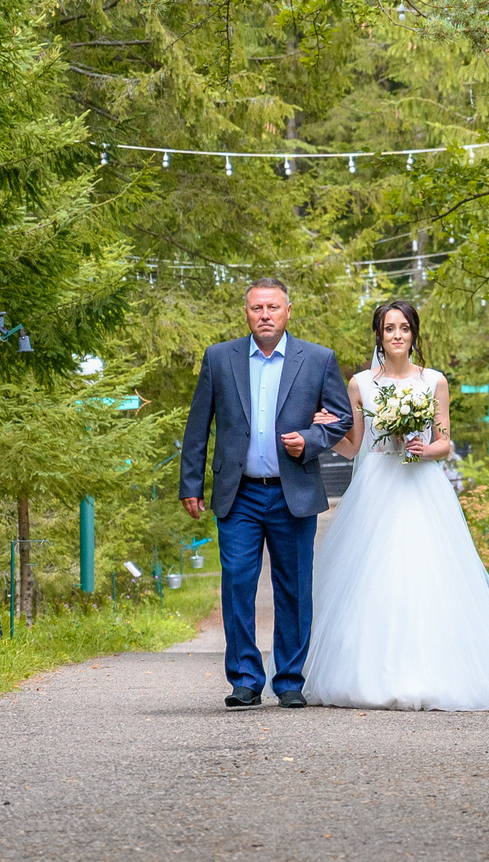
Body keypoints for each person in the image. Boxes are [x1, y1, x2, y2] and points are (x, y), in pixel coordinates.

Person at [300, 299, 489, 710]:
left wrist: (423, 447)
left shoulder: (434, 381)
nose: (396, 335)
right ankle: (367, 675)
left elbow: (445, 443)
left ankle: (437, 672)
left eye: (404, 328)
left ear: (414, 334)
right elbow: (354, 446)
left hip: (422, 485)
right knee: (374, 574)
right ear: (378, 335)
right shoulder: (361, 383)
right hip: (377, 486)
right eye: (388, 328)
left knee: (429, 573)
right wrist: (323, 428)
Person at [178, 279, 353, 710]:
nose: (265, 315)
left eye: (273, 307)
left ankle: (290, 680)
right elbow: (198, 425)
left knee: (293, 588)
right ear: (246, 313)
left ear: (288, 310)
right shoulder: (220, 358)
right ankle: (245, 680)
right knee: (237, 584)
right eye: (257, 308)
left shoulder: (317, 359)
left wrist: (310, 440)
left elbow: (342, 419)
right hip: (238, 495)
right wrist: (190, 484)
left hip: (292, 493)